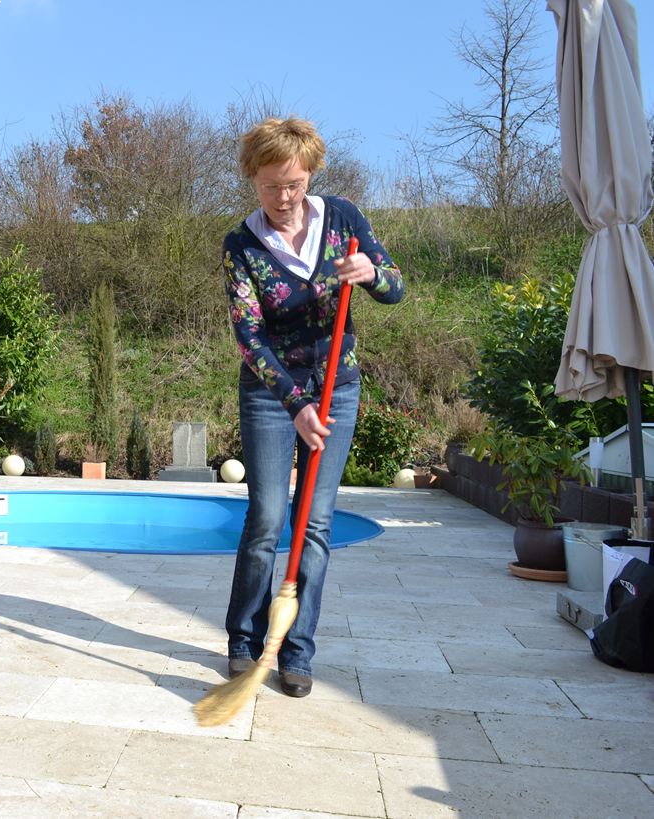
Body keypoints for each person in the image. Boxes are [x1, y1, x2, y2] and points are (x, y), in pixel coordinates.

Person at [222, 117, 404, 697]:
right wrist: (296, 402)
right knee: (268, 519)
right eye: (271, 184)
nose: (283, 198)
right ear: (253, 178)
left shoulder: (344, 219)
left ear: (311, 175)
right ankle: (245, 640)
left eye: (295, 184)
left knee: (316, 523)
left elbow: (397, 286)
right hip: (272, 393)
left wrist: (372, 273)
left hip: (338, 387)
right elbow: (249, 336)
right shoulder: (241, 246)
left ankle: (296, 651)